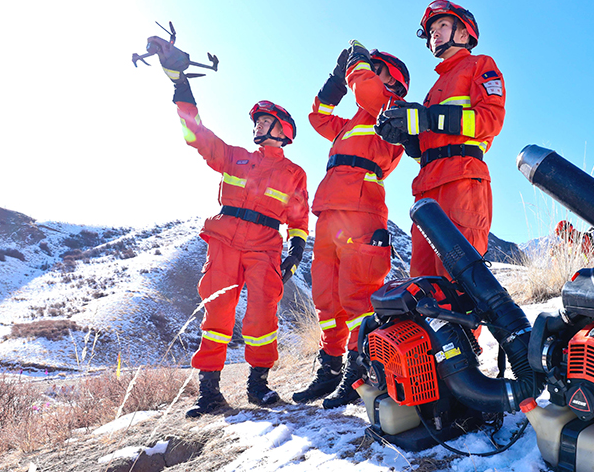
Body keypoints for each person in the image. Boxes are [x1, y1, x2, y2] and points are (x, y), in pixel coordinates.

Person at [149, 36, 310, 418]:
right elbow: (196, 136)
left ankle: (258, 386)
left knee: (261, 317)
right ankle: (210, 393)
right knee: (217, 315)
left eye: (266, 120)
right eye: (256, 120)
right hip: (223, 241)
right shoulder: (235, 158)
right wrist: (180, 85)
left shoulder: (294, 173)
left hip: (265, 248)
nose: (258, 124)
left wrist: (297, 248)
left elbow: (299, 218)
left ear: (284, 130)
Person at [295, 42, 411, 409]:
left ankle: (359, 373)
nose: (368, 74)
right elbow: (318, 115)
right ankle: (329, 370)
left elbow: (366, 87)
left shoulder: (391, 111)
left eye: (376, 70)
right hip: (329, 214)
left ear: (391, 82)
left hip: (361, 212)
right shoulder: (350, 125)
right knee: (326, 299)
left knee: (356, 297)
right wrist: (335, 78)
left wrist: (357, 60)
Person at [376, 0, 506, 277]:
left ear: (463, 33)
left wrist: (429, 118)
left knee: (460, 285)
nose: (434, 32)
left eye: (442, 25)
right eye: (432, 29)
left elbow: (491, 121)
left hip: (462, 183)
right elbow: (426, 151)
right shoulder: (434, 88)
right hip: (426, 190)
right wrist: (406, 139)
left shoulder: (480, 64)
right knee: (426, 286)